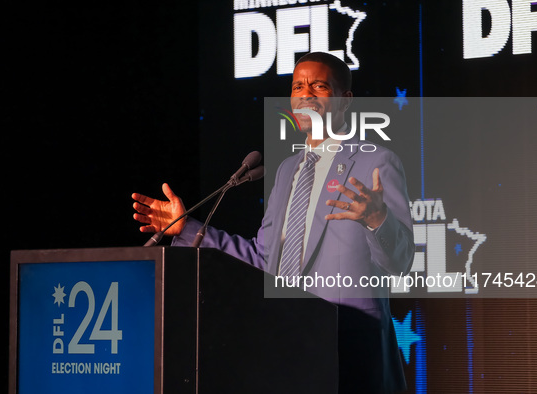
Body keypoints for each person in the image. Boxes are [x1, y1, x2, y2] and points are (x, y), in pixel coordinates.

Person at [132, 52, 415, 393]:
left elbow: (401, 261)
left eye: (319, 85)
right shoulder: (286, 172)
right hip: (289, 346)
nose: (305, 94)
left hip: (351, 347)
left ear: (345, 100)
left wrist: (377, 218)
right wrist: (186, 228)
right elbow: (264, 259)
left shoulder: (377, 162)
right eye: (298, 86)